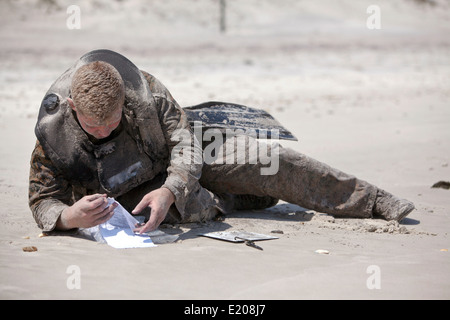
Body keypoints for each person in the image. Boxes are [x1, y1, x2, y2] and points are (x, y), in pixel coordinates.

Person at [29, 50, 415, 234]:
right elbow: (42, 198)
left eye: (111, 121)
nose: (102, 130)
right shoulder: (53, 135)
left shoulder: (145, 92)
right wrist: (67, 217)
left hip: (181, 158)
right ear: (72, 106)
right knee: (188, 210)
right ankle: (233, 200)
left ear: (125, 102)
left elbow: (185, 144)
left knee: (270, 162)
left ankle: (372, 199)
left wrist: (172, 186)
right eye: (92, 125)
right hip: (127, 189)